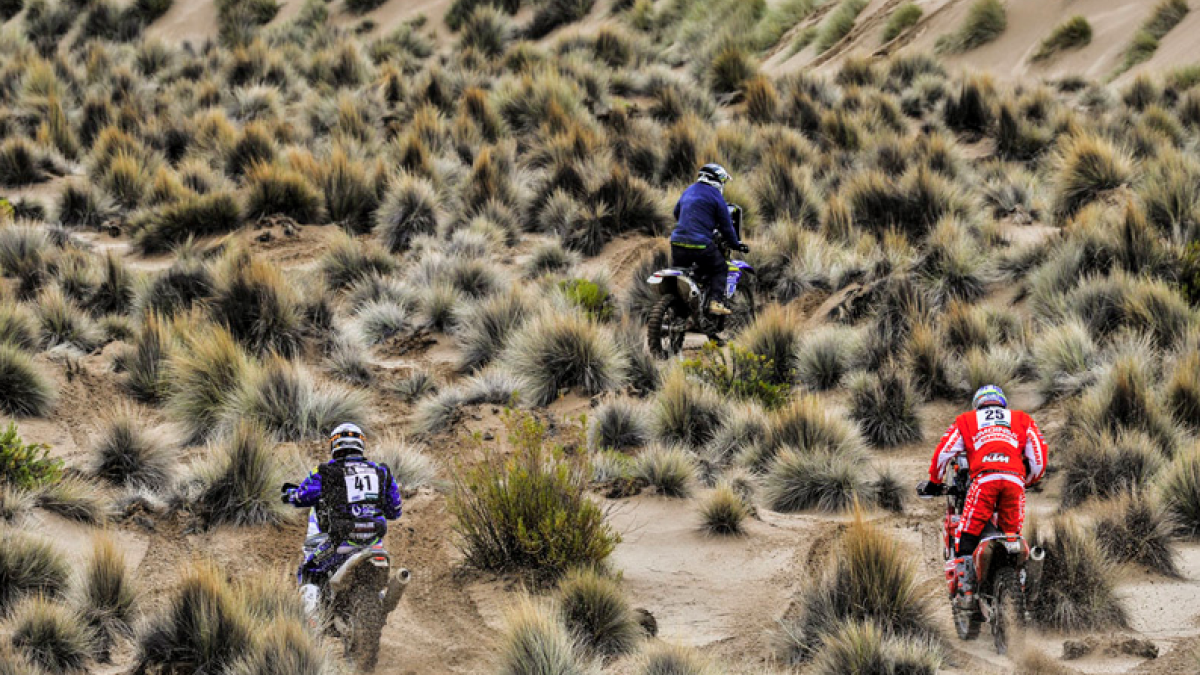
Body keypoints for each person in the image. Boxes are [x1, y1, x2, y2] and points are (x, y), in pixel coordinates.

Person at [917, 385, 1048, 607]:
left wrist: (934, 482)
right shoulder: (1021, 419)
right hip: (1014, 481)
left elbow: (944, 453)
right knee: (1011, 535)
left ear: (978, 404)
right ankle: (1021, 584)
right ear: (1002, 403)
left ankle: (966, 591)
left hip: (984, 479)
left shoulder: (967, 420)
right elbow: (1038, 457)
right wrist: (1029, 480)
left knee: (967, 532)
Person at [281, 423, 403, 616]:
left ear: (334, 445)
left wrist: (289, 495)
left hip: (339, 542)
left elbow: (303, 497)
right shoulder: (382, 472)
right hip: (373, 543)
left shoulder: (325, 471)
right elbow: (395, 511)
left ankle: (310, 625)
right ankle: (379, 602)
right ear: (360, 444)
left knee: (309, 571)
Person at [670, 163, 749, 316]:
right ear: (717, 180)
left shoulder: (688, 190)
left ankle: (678, 313)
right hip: (699, 244)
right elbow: (727, 227)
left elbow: (676, 213)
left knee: (682, 275)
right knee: (720, 267)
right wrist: (735, 244)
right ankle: (715, 302)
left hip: (677, 243)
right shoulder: (715, 196)